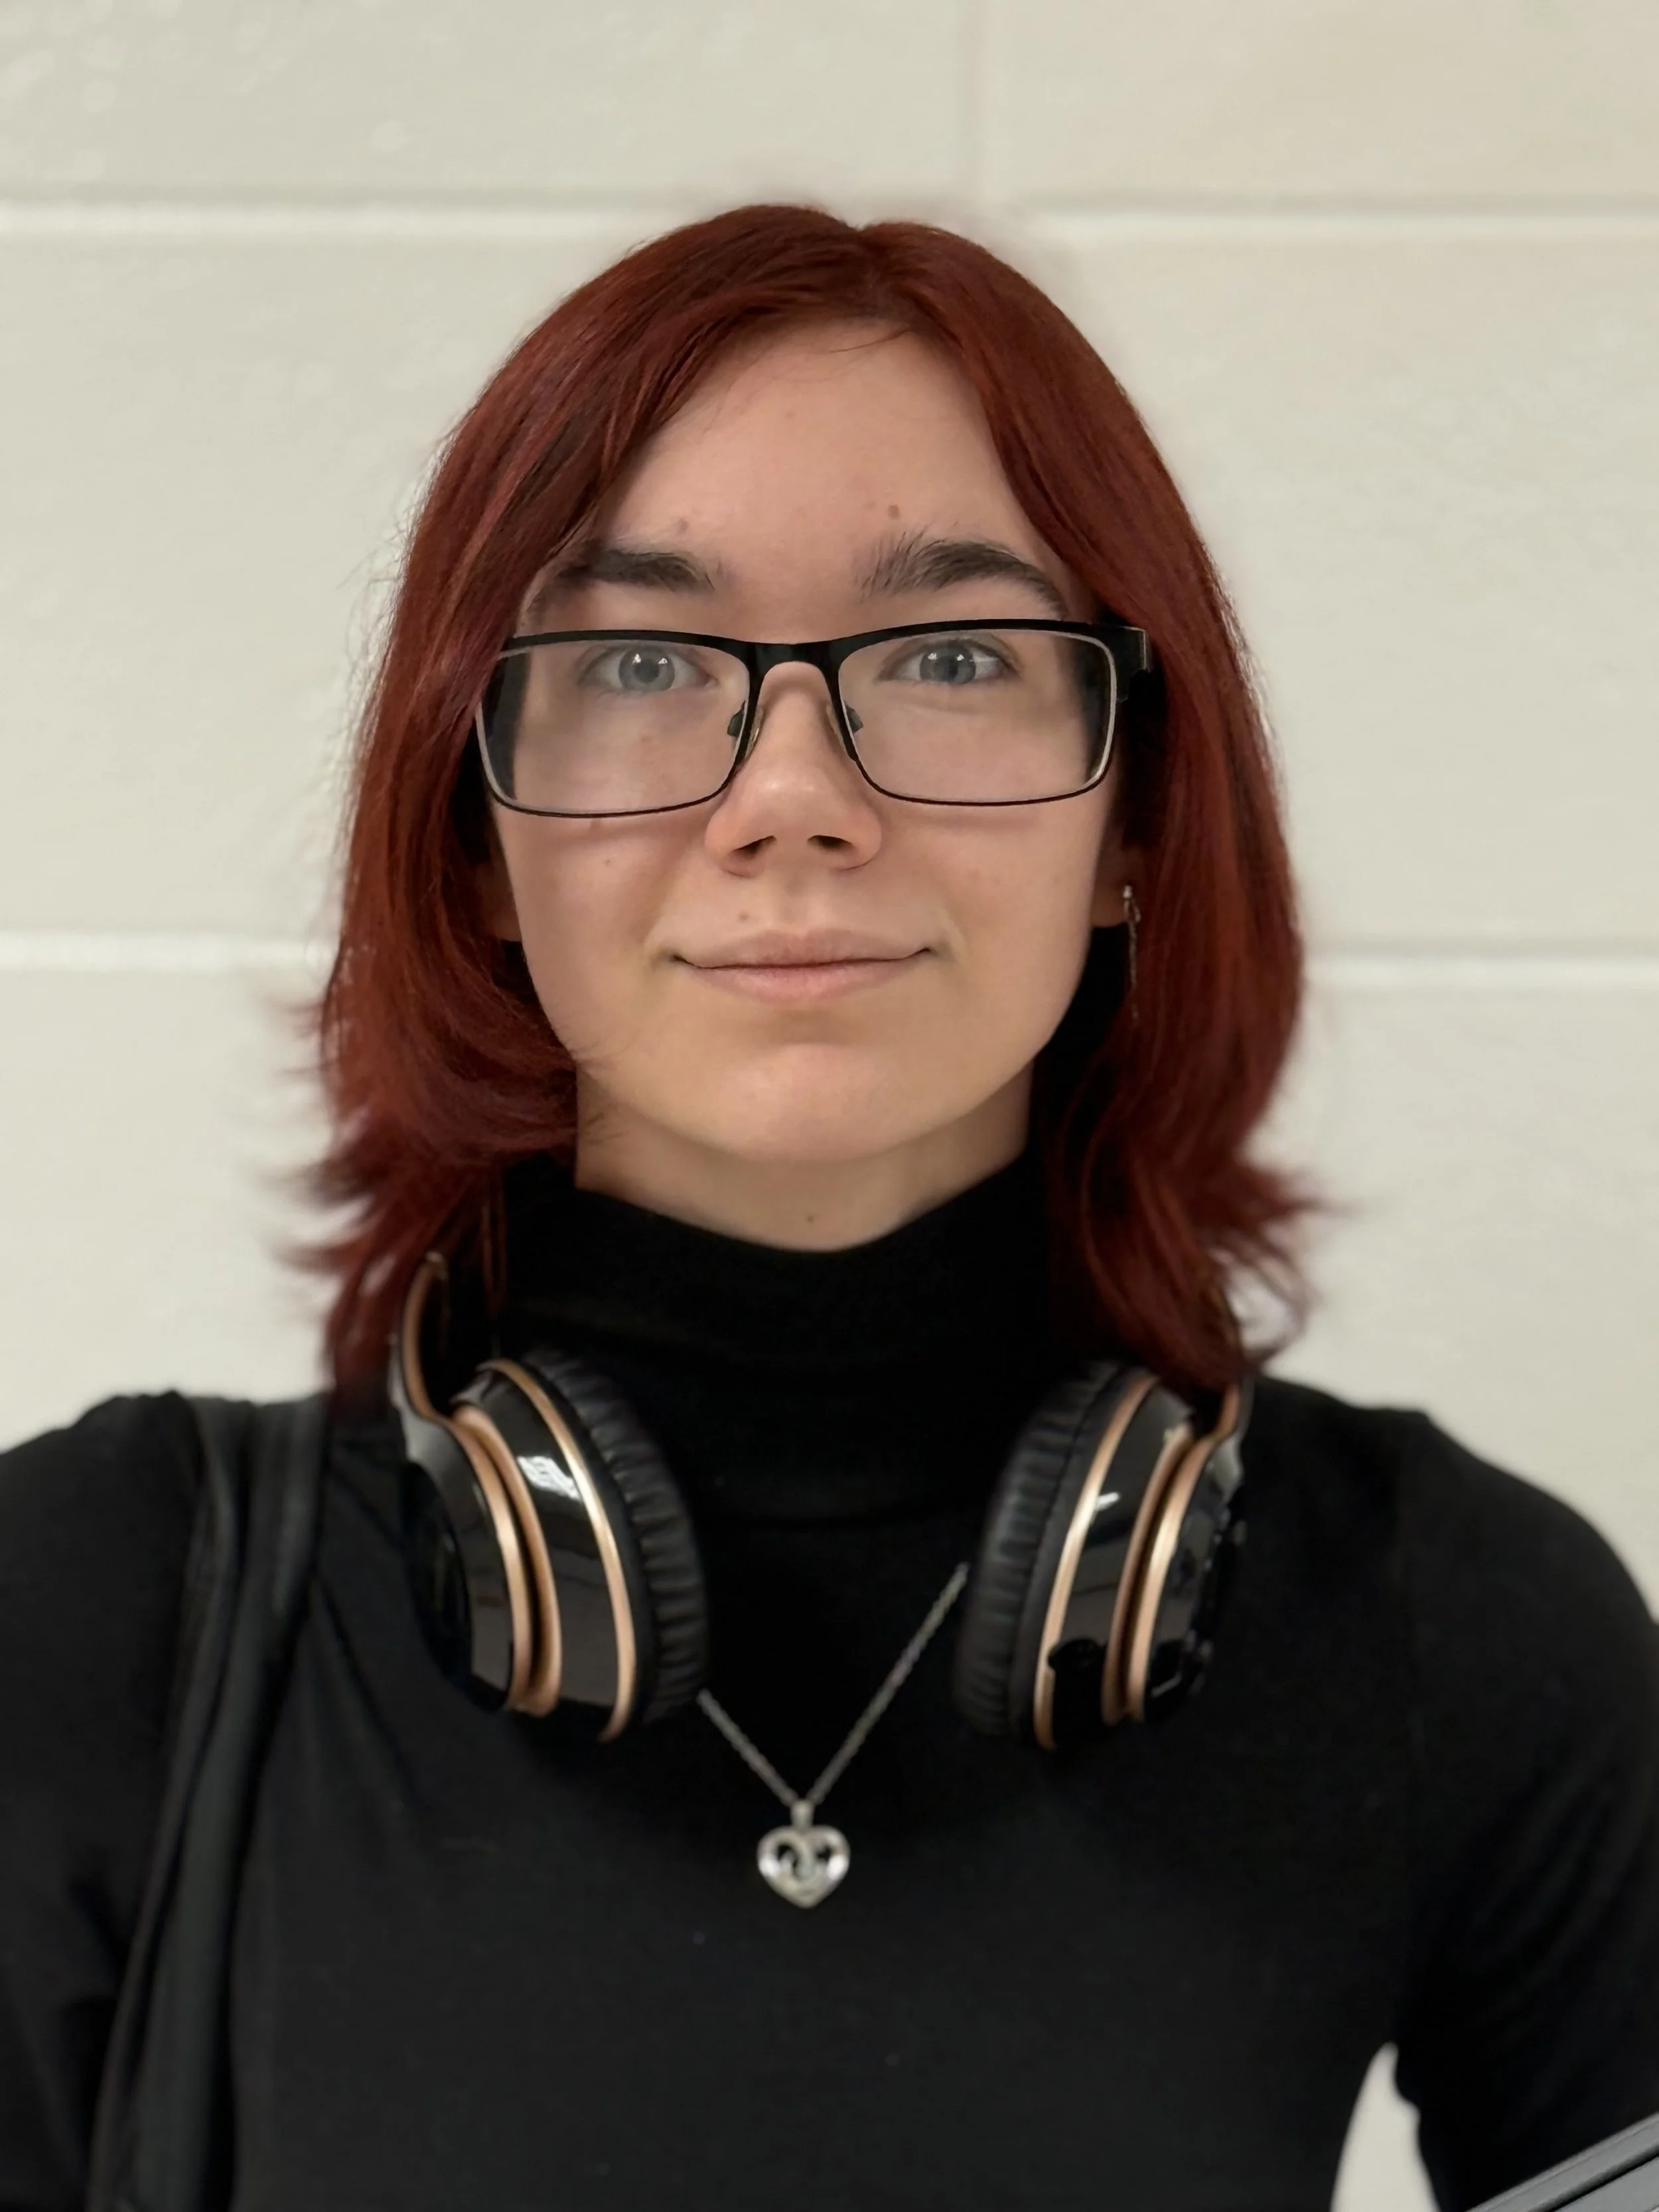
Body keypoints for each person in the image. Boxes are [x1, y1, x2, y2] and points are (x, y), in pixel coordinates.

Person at [1, 202, 1656, 2212]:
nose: (792, 795)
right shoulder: (94, 1616)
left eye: (952, 651)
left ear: (1133, 814)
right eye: (635, 657)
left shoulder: (1445, 1627)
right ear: (476, 838)